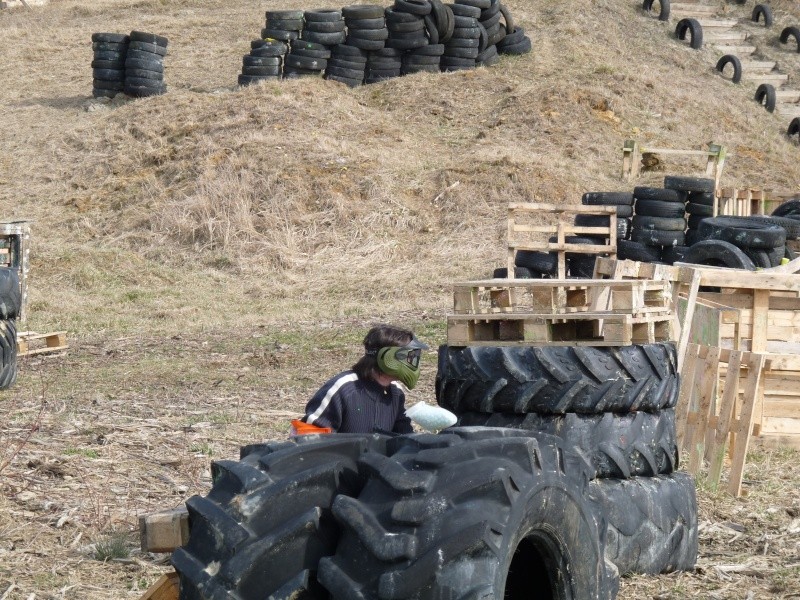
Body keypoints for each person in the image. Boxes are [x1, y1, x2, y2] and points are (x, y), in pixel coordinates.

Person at [299, 324, 428, 434]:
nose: (413, 363)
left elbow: (404, 438)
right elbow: (309, 438)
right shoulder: (344, 388)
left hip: (379, 463)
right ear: (389, 358)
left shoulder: (396, 393)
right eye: (409, 356)